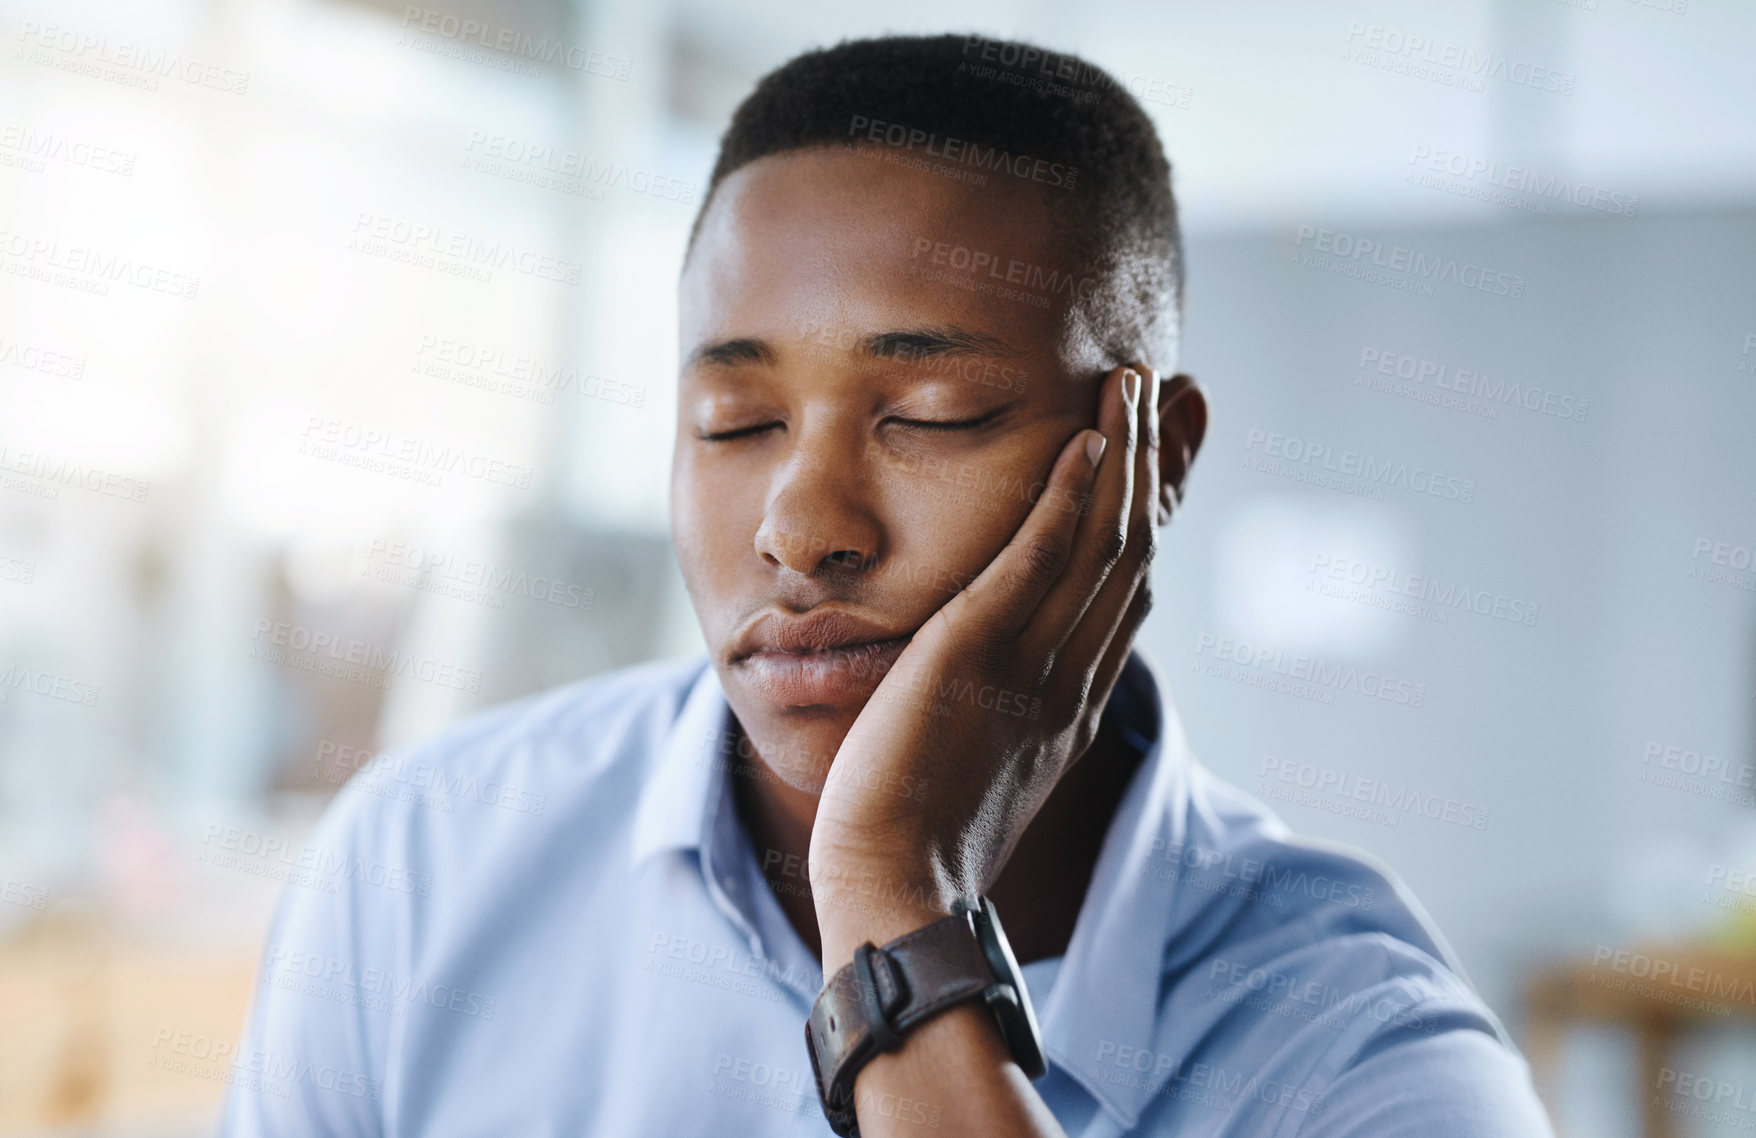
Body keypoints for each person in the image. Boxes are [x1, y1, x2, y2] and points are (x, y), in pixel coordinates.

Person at [223, 34, 1555, 1137]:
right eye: (737, 423)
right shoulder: (419, 869)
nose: (801, 528)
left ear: (1159, 455)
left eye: (934, 412)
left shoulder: (1365, 1060)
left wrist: (895, 902)